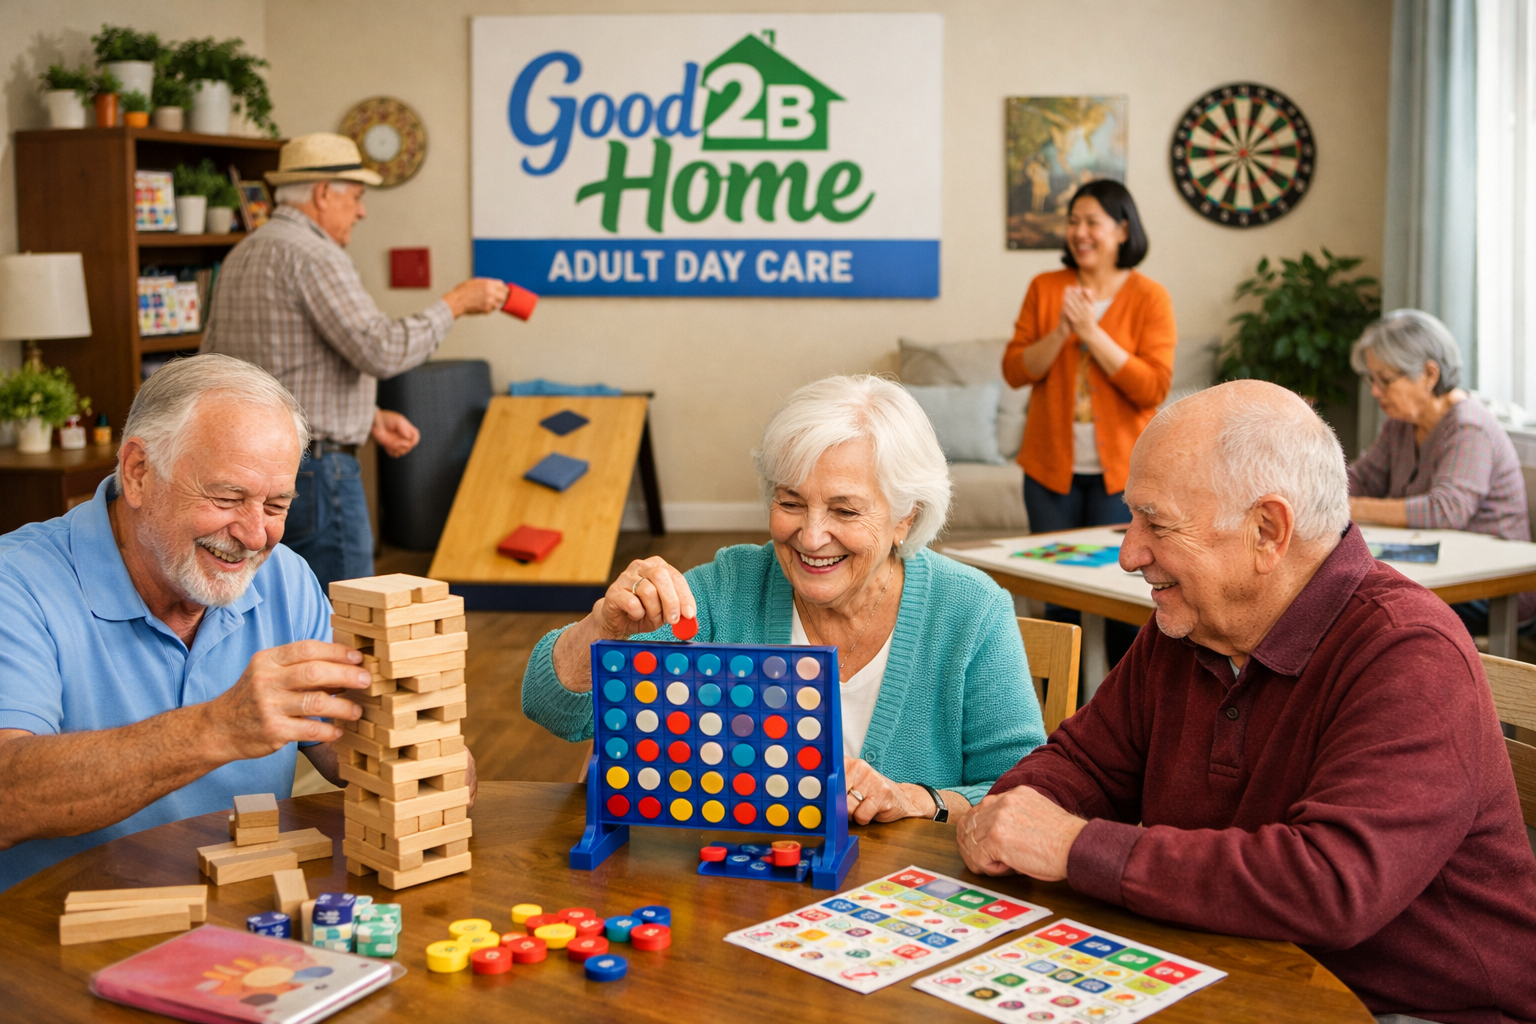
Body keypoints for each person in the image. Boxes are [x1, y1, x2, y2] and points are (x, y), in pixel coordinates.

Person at [959, 380, 1536, 1024]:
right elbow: (1085, 763)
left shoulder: (1408, 652)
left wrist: (1074, 846)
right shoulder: (1188, 625)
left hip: (1411, 1010)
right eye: (1132, 517)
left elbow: (1331, 884)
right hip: (1233, 970)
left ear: (1267, 530)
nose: (1129, 553)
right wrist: (1020, 811)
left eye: (1157, 522)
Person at [0, 354, 476, 890]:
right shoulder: (15, 583)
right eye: (228, 498)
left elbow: (349, 745)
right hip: (49, 941)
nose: (255, 536)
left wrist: (423, 749)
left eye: (276, 505)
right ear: (138, 473)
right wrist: (218, 727)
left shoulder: (286, 579)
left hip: (249, 922)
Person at [522, 375, 1046, 826]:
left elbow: (1026, 793)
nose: (811, 536)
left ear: (904, 518)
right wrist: (604, 626)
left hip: (907, 906)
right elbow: (553, 710)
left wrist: (915, 801)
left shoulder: (971, 611)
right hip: (743, 891)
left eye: (844, 511)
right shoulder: (729, 589)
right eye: (790, 502)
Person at [203, 132, 511, 589]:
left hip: (248, 472)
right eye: (358, 197)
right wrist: (456, 303)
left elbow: (260, 367)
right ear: (324, 194)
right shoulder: (315, 256)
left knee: (268, 610)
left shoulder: (241, 254)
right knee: (345, 619)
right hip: (315, 474)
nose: (362, 211)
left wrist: (367, 417)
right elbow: (381, 349)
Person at [1002, 179, 1176, 669]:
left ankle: (1125, 723)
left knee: (1127, 601)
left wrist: (1091, 333)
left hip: (1122, 477)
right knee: (1058, 606)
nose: (1080, 231)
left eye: (1092, 221)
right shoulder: (1045, 288)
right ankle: (1061, 721)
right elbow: (1016, 370)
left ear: (1122, 229)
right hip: (1048, 471)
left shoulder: (1149, 297)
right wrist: (1061, 331)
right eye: (1073, 220)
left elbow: (1152, 387)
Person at [1347, 309, 1533, 635]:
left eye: (1385, 380)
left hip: (1493, 589)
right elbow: (1360, 479)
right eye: (1371, 379)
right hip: (1440, 571)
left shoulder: (1469, 427)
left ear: (1429, 375)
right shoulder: (1400, 424)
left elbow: (1446, 510)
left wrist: (1350, 507)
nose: (1375, 391)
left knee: (1368, 607)